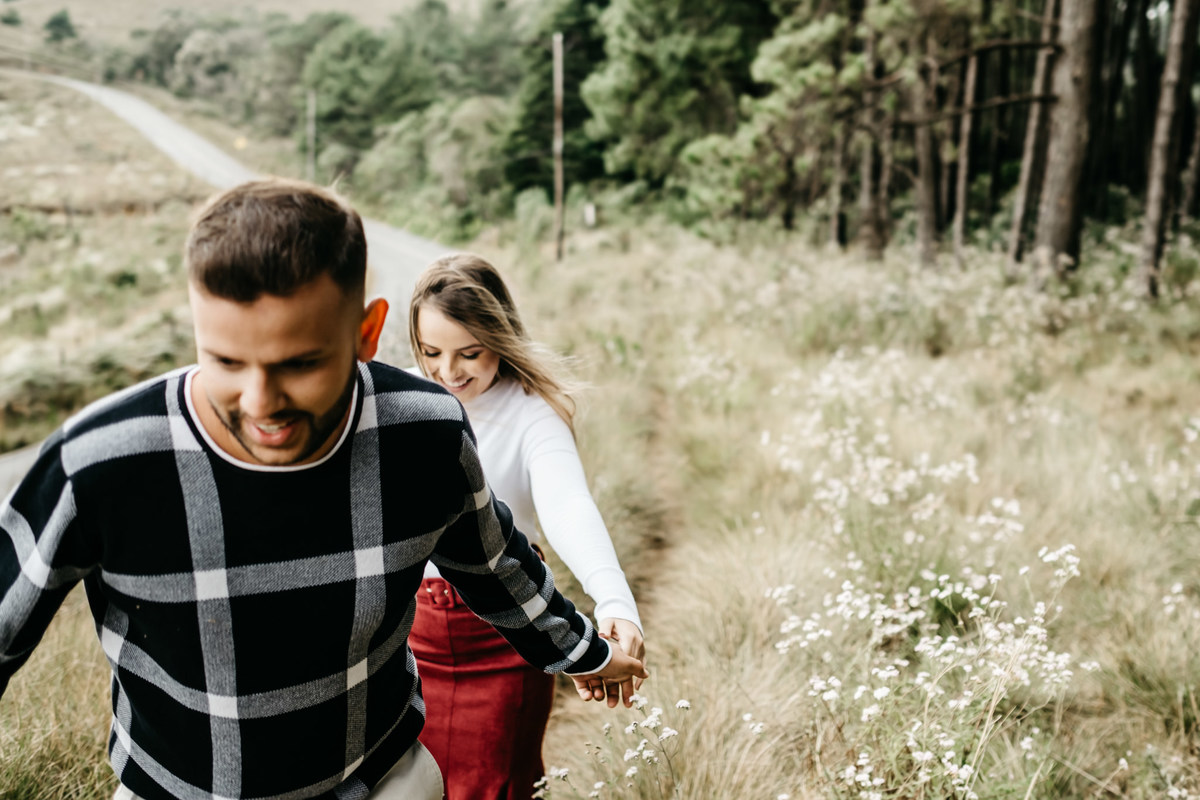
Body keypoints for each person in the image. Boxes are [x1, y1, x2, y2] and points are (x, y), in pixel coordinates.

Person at [0, 179, 647, 800]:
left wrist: (589, 654)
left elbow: (500, 570)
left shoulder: (422, 435)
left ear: (367, 334)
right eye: (225, 361)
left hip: (378, 784)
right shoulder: (99, 460)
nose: (261, 404)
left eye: (301, 364)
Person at [406, 253, 646, 799]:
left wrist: (613, 601)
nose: (448, 372)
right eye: (431, 353)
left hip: (506, 635)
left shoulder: (532, 412)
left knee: (497, 786)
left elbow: (567, 506)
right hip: (407, 643)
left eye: (470, 352)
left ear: (501, 336)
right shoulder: (406, 403)